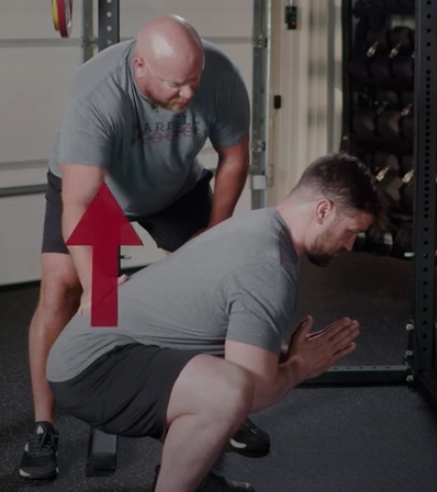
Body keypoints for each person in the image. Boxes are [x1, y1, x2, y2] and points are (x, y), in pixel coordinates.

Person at [18, 14, 266, 480]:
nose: (189, 94)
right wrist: (97, 289)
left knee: (208, 289)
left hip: (175, 188)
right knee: (63, 290)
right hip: (101, 193)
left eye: (194, 81)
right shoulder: (96, 91)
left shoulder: (220, 75)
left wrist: (210, 236)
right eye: (176, 85)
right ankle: (44, 426)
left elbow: (234, 159)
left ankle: (219, 400)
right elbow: (81, 200)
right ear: (139, 67)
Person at [46, 152, 384, 491]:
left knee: (239, 368)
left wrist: (280, 351)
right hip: (91, 369)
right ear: (323, 211)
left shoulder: (262, 224)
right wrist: (300, 366)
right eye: (351, 230)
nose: (350, 245)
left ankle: (194, 476)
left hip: (106, 349)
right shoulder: (267, 267)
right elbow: (254, 393)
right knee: (229, 391)